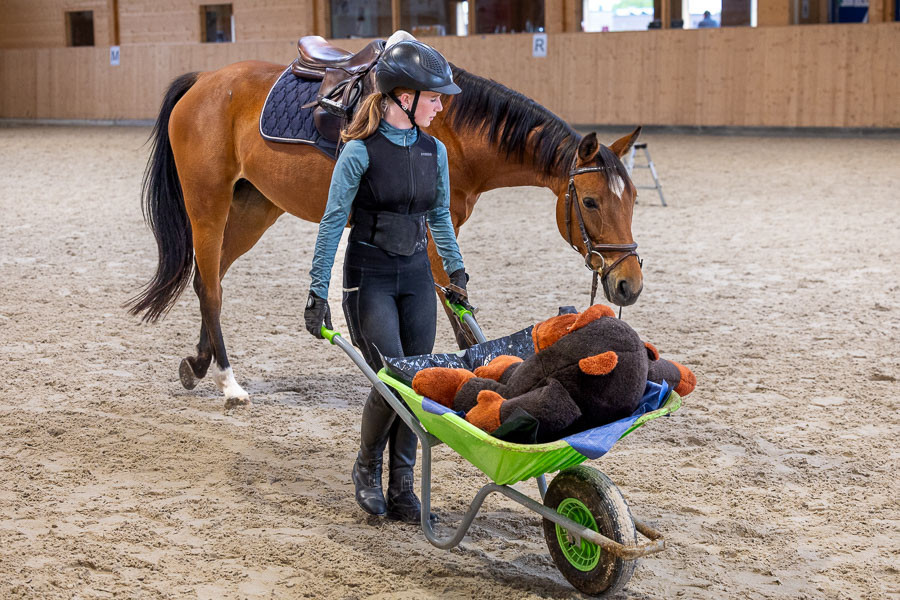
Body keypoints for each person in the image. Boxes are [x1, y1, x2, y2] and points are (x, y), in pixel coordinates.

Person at [304, 40, 468, 523]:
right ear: (404, 96)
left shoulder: (433, 150)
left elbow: (440, 216)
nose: (441, 106)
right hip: (368, 277)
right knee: (392, 377)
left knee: (416, 380)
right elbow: (333, 221)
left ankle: (402, 488)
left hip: (417, 277)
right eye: (434, 97)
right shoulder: (358, 152)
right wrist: (318, 291)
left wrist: (455, 270)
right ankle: (366, 467)